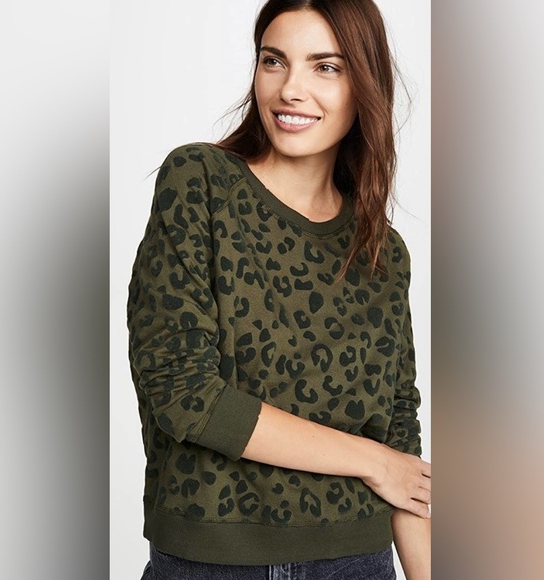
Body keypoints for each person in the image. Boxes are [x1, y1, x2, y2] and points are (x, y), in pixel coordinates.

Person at [127, 0, 430, 578]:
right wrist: (371, 461)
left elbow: (400, 440)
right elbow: (183, 393)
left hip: (357, 562)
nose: (291, 89)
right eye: (274, 61)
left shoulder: (382, 253)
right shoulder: (200, 183)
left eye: (326, 67)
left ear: (364, 86)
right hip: (213, 562)